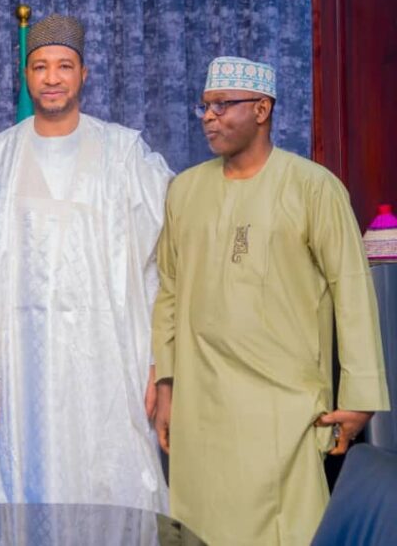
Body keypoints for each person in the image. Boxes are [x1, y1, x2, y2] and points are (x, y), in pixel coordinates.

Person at [152, 56, 391, 545]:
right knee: (200, 528)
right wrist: (167, 384)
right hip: (201, 407)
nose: (209, 116)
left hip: (283, 408)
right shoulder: (185, 191)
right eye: (205, 106)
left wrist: (360, 398)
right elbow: (169, 292)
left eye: (223, 105)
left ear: (262, 109)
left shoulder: (313, 188)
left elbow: (352, 290)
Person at [0, 14, 172, 513]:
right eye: (40, 67)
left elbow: (160, 262)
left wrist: (158, 362)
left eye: (63, 66)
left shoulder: (124, 154)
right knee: (27, 484)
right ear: (26, 76)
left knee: (112, 482)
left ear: (84, 74)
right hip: (21, 366)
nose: (52, 78)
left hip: (111, 359)